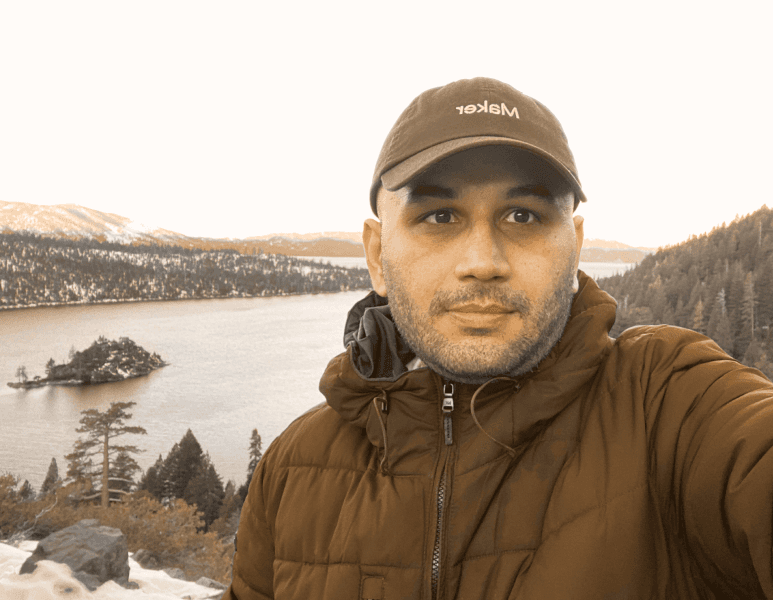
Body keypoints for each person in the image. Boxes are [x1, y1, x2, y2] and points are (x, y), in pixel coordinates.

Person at [223, 78, 773, 599]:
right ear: (377, 256)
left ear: (575, 248)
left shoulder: (666, 404)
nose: (482, 262)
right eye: (440, 216)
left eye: (523, 216)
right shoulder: (292, 469)